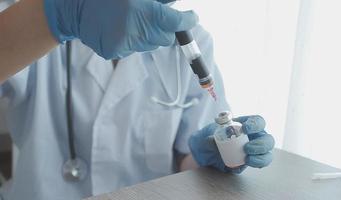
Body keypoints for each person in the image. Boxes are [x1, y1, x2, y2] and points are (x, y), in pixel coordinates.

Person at [0, 2, 275, 200]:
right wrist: (61, 16)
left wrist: (213, 155)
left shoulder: (191, 40)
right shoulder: (34, 20)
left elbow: (186, 158)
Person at [0, 0, 198, 82]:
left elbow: (187, 153)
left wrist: (216, 149)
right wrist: (64, 13)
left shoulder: (191, 35)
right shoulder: (21, 12)